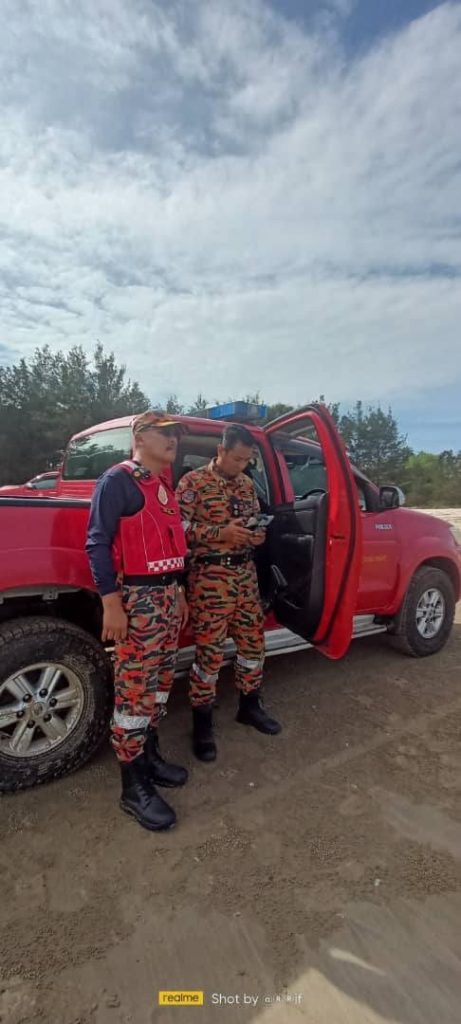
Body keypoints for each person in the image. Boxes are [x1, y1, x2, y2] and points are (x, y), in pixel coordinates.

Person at [86, 411, 189, 832]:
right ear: (140, 437)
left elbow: (170, 543)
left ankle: (148, 755)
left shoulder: (163, 485)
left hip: (167, 598)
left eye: (176, 435)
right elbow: (96, 541)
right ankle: (132, 786)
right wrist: (111, 602)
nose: (174, 441)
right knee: (134, 690)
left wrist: (179, 592)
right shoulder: (118, 481)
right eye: (165, 434)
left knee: (160, 683)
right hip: (138, 600)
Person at [176, 423, 281, 762]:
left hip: (245, 576)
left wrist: (254, 535)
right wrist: (221, 533)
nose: (242, 466)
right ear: (220, 451)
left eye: (248, 460)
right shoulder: (192, 483)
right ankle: (203, 725)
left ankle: (250, 706)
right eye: (237, 459)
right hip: (210, 578)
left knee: (253, 644)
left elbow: (249, 521)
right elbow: (178, 529)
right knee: (209, 655)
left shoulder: (248, 484)